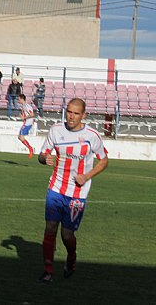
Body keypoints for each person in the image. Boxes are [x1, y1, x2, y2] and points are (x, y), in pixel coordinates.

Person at [37, 98, 108, 283]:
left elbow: (104, 160)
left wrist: (87, 176)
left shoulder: (92, 136)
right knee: (50, 227)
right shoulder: (55, 131)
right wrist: (45, 158)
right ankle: (48, 270)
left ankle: (71, 257)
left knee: (66, 235)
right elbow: (42, 155)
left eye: (76, 113)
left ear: (83, 115)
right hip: (56, 188)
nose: (71, 116)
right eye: (69, 111)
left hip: (77, 193)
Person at [17, 94, 35, 159]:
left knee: (21, 137)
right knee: (20, 137)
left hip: (27, 123)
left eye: (19, 99)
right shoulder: (23, 106)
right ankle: (31, 149)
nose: (18, 100)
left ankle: (31, 149)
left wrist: (24, 117)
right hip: (26, 123)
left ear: (22, 99)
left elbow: (32, 114)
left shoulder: (27, 106)